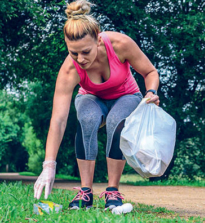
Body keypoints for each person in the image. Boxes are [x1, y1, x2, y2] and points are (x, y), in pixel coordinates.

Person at [33, 0, 160, 211]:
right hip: (91, 98)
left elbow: (150, 72)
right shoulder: (69, 70)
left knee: (116, 121)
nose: (80, 59)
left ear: (98, 40)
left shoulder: (120, 44)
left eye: (85, 51)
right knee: (87, 118)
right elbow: (58, 119)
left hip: (127, 95)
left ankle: (112, 191)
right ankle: (85, 192)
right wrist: (49, 164)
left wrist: (151, 92)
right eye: (74, 53)